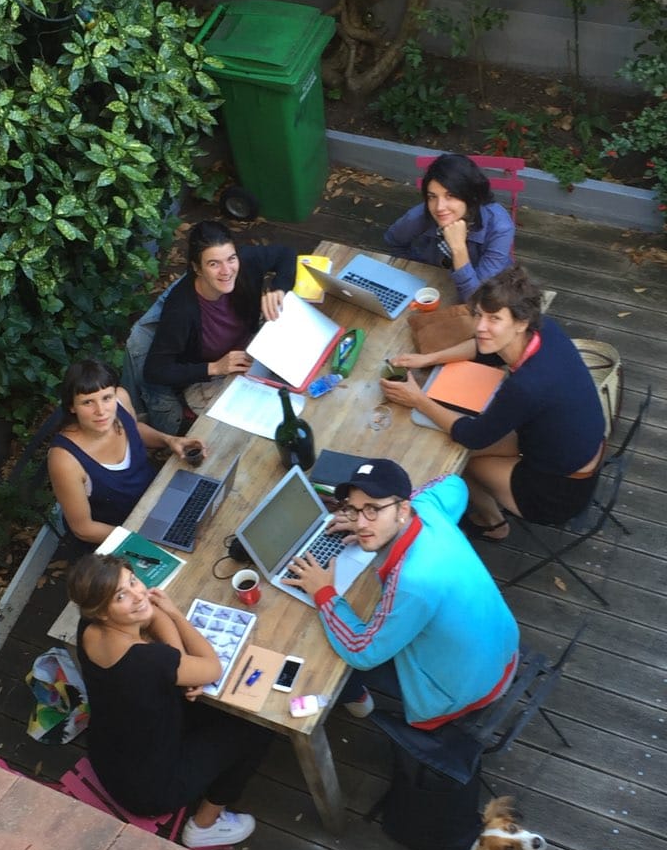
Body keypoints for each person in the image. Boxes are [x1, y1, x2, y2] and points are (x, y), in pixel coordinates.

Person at [283, 459, 519, 728]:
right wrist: (378, 520)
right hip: (504, 647)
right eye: (354, 510)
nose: (360, 524)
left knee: (334, 663)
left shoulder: (412, 582)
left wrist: (323, 592)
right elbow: (454, 484)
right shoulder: (427, 508)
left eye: (373, 509)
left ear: (403, 509)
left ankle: (357, 699)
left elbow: (362, 651)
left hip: (463, 691)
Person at [381, 266, 606, 541]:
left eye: (494, 319)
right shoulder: (544, 330)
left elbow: (472, 436)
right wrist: (428, 359)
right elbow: (484, 348)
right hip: (578, 448)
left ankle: (493, 523)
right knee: (466, 443)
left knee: (461, 463)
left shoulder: (526, 386)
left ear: (521, 322)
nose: (480, 326)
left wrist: (418, 399)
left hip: (559, 490)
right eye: (478, 315)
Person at [67, 553, 269, 848]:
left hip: (110, 757)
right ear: (102, 611)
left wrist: (180, 665)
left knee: (207, 710)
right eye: (121, 596)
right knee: (256, 728)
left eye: (133, 581)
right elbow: (213, 667)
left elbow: (152, 617)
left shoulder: (88, 628)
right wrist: (176, 617)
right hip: (152, 789)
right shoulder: (148, 660)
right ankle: (205, 825)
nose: (138, 595)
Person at [141, 220, 297, 433]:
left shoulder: (245, 262)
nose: (226, 271)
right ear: (197, 268)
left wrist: (278, 289)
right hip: (211, 377)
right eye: (214, 264)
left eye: (231, 259)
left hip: (252, 352)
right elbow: (155, 370)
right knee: (256, 426)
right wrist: (214, 367)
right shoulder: (182, 309)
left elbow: (286, 254)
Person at [47, 359, 205, 548]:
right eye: (88, 402)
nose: (101, 411)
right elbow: (84, 529)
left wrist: (169, 440)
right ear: (72, 406)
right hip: (120, 534)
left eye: (106, 398)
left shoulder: (121, 398)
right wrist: (143, 539)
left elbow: (134, 428)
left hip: (158, 499)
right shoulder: (64, 460)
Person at [384, 153, 514, 301]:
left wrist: (458, 248)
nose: (439, 207)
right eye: (432, 196)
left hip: (492, 296)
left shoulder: (499, 227)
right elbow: (393, 241)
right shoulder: (420, 216)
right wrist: (418, 273)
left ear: (470, 196)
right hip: (433, 287)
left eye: (450, 195)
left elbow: (475, 301)